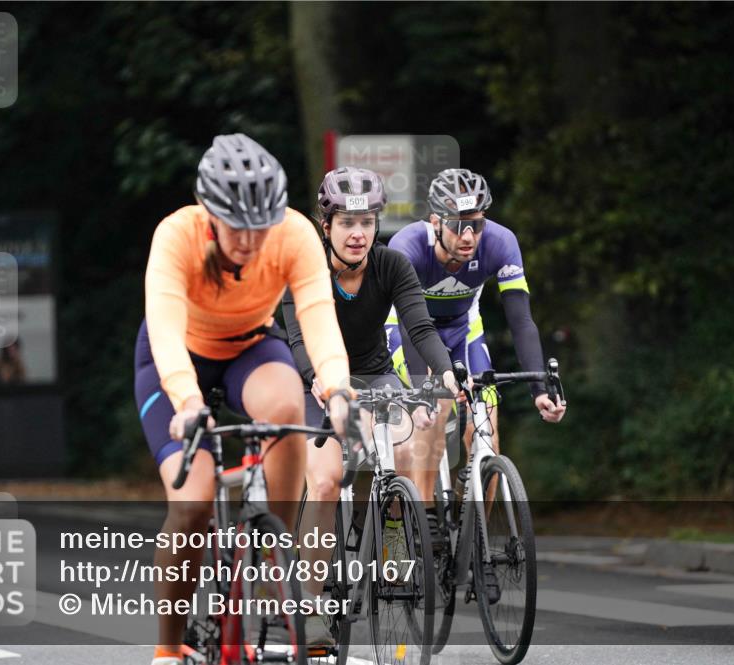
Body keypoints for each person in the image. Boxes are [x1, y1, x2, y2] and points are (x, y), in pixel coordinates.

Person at [134, 134, 353, 665]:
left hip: (251, 347)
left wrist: (338, 388)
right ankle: (168, 646)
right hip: (177, 359)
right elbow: (165, 331)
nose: (251, 241)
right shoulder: (177, 236)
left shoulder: (295, 234)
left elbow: (318, 319)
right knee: (193, 502)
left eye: (261, 226)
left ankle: (272, 564)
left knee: (287, 410)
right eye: (237, 227)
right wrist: (187, 402)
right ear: (209, 214)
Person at [281, 166, 460, 645]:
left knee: (406, 450)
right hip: (316, 379)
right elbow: (297, 337)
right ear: (327, 227)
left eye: (366, 223)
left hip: (375, 375)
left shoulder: (392, 266)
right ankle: (314, 604)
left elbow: (419, 328)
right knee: (324, 481)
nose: (358, 234)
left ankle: (392, 537)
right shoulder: (305, 267)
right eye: (346, 224)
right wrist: (316, 379)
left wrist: (443, 373)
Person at [386, 167, 566, 509]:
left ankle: (472, 540)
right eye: (458, 224)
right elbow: (412, 326)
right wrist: (426, 386)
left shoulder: (501, 242)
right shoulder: (406, 246)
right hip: (408, 331)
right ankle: (421, 527)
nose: (468, 235)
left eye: (477, 224)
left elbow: (522, 320)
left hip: (463, 332)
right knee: (433, 417)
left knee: (488, 437)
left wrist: (540, 389)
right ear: (436, 221)